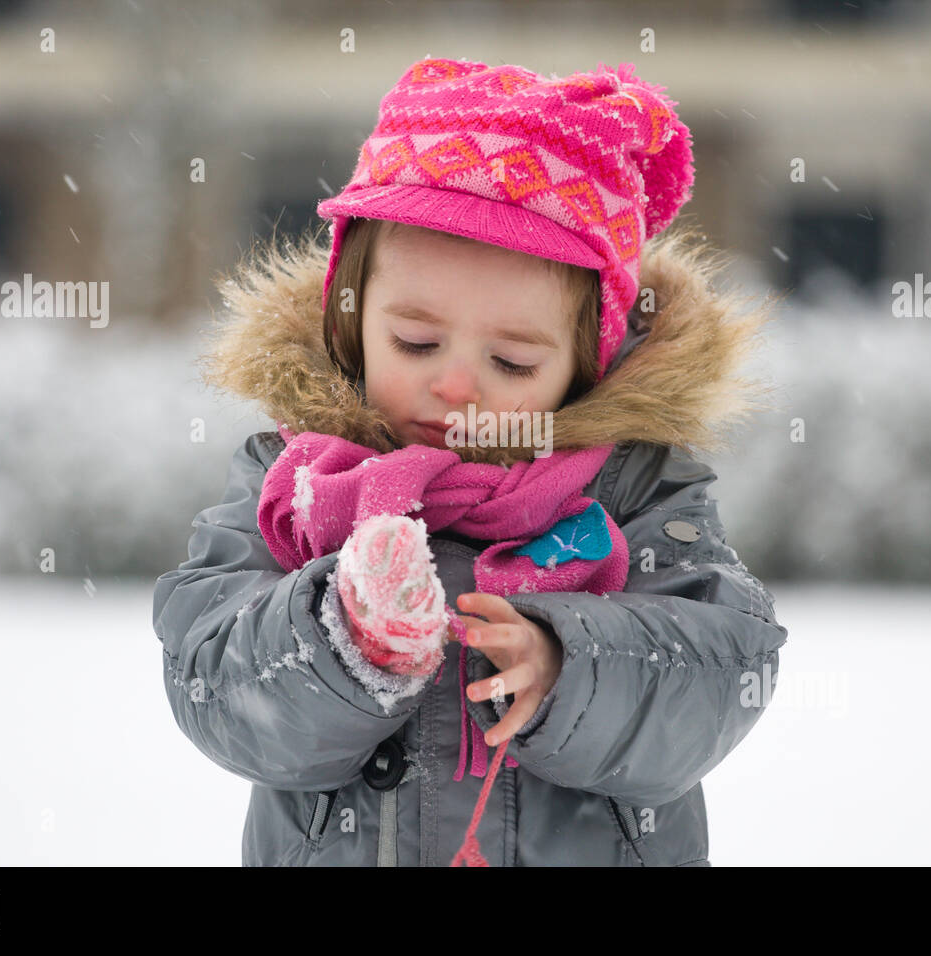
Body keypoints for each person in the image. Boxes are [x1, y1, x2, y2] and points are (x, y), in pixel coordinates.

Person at [153, 56, 788, 866]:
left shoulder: (633, 486)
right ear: (350, 320)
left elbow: (723, 669)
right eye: (415, 342)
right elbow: (211, 681)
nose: (454, 386)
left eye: (514, 361)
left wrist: (573, 664)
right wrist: (341, 641)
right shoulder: (298, 481)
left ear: (583, 364)